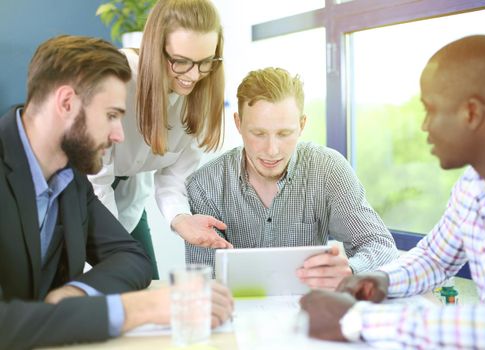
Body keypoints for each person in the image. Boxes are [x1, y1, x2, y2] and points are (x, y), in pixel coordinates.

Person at [0, 35, 233, 350]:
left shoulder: (68, 178)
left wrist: (76, 294)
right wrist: (141, 308)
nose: (119, 135)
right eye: (111, 115)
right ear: (66, 103)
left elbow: (131, 256)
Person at [300, 35, 485, 349]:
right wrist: (383, 278)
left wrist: (356, 319)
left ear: (471, 113)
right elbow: (435, 258)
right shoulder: (472, 188)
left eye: (431, 110)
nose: (424, 126)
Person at [185, 67, 398, 290]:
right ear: (238, 124)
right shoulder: (205, 186)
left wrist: (351, 271)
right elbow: (203, 281)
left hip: (311, 313)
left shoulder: (328, 170)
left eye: (284, 134)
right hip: (234, 314)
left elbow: (381, 246)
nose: (272, 150)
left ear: (302, 125)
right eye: (258, 134)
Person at [88, 0, 232, 280]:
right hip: (81, 192)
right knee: (104, 292)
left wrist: (180, 219)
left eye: (205, 63)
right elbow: (96, 179)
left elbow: (173, 176)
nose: (193, 76)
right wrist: (116, 251)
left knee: (146, 282)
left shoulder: (199, 95)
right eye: (180, 61)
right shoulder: (116, 78)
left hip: (129, 196)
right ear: (155, 48)